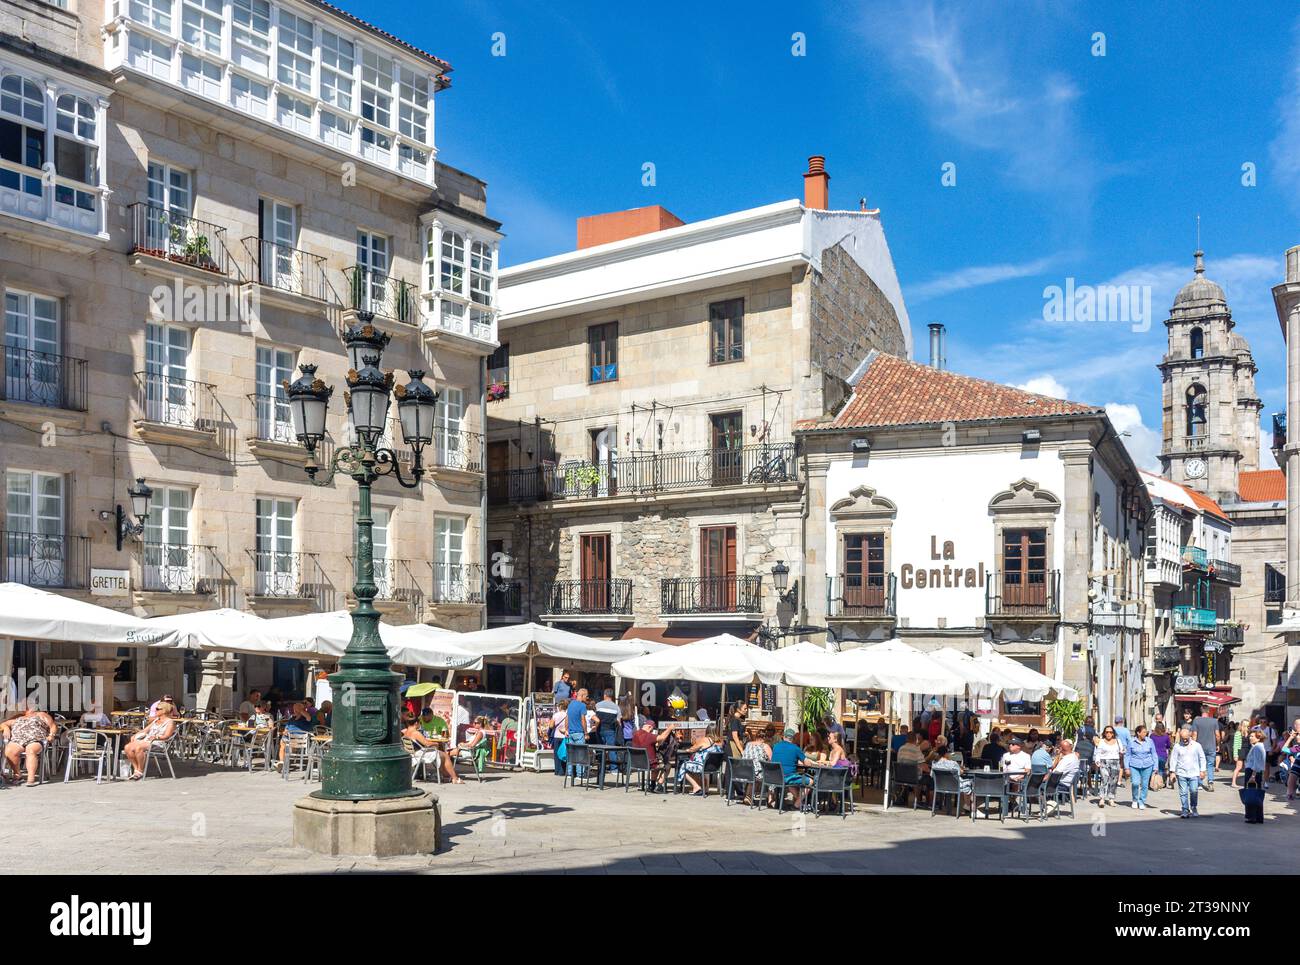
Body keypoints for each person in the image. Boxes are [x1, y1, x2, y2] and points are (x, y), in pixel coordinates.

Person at [2, 701, 58, 786]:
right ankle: (18, 775)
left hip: (35, 739)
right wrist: (6, 728)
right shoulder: (18, 717)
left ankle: (30, 779)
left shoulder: (41, 714)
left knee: (30, 750)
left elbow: (53, 726)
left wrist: (51, 735)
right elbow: (2, 724)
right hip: (18, 740)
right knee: (9, 750)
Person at [122, 701, 177, 780]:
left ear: (164, 711)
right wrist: (135, 735)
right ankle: (136, 769)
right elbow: (145, 731)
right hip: (147, 741)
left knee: (138, 748)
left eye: (158, 709)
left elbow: (167, 736)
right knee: (127, 747)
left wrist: (156, 737)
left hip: (159, 743)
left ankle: (140, 771)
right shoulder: (156, 720)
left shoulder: (170, 722)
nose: (155, 710)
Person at [770, 727, 822, 808]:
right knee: (810, 781)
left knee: (792, 784)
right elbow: (807, 764)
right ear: (794, 739)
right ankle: (797, 804)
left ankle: (799, 802)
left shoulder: (776, 746)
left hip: (774, 777)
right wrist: (811, 761)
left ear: (784, 737)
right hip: (787, 777)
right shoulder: (796, 748)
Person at [402, 712, 459, 784]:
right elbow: (427, 744)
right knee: (445, 755)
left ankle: (446, 776)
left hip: (413, 754)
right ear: (416, 723)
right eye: (420, 723)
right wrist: (435, 743)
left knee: (441, 755)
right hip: (420, 754)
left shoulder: (405, 731)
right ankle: (455, 778)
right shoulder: (415, 732)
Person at [1169, 726, 1208, 818]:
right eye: (1183, 739)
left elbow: (1202, 758)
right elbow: (1173, 759)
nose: (1185, 740)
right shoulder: (1177, 746)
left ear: (1190, 735)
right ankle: (1185, 809)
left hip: (1194, 773)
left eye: (1186, 739)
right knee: (1183, 792)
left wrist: (1203, 770)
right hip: (1181, 773)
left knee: (1194, 791)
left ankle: (1194, 807)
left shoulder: (1197, 745)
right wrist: (1172, 772)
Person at [630, 718, 673, 791]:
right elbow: (662, 737)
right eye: (652, 730)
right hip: (649, 763)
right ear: (649, 727)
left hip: (636, 763)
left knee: (656, 763)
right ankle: (659, 785)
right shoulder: (648, 736)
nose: (652, 731)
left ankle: (652, 785)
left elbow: (647, 743)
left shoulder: (635, 734)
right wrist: (669, 729)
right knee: (667, 766)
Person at [678, 726, 721, 796]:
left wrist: (689, 748)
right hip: (715, 766)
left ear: (707, 731)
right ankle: (703, 788)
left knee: (683, 766)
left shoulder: (705, 740)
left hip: (703, 766)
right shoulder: (720, 742)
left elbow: (692, 749)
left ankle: (696, 787)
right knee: (693, 765)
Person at [930, 745, 972, 814]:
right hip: (954, 786)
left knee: (965, 784)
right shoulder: (952, 763)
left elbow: (932, 775)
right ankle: (969, 806)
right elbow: (960, 772)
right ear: (946, 754)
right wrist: (961, 768)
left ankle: (967, 806)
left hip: (939, 785)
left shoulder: (934, 763)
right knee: (969, 783)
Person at [1043, 739, 1080, 815]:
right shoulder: (1071, 757)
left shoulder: (1068, 759)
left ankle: (1050, 804)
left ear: (1061, 748)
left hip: (1060, 784)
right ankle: (1049, 804)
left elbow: (1056, 773)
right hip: (1063, 783)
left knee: (1035, 786)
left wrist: (1045, 778)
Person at [1125, 725, 1158, 810]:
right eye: (1143, 732)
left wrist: (1155, 767)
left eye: (1146, 732)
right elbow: (1127, 755)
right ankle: (1135, 800)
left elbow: (1154, 754)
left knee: (1144, 785)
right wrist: (1126, 768)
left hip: (1147, 765)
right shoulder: (1132, 742)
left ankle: (1142, 801)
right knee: (1135, 783)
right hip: (1134, 765)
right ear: (1138, 733)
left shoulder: (1150, 741)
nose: (1145, 733)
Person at [1191, 705, 1221, 791]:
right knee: (1210, 765)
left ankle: (1200, 783)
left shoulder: (1196, 721)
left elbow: (1194, 735)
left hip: (1199, 747)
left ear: (1201, 711)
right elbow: (1217, 735)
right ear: (1208, 711)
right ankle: (1210, 782)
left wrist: (1193, 745)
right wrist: (1218, 744)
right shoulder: (1214, 721)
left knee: (1200, 765)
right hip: (1211, 746)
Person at [1094, 725, 1123, 807]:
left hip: (1115, 761)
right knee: (1104, 780)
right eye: (1107, 732)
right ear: (1104, 733)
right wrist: (1097, 760)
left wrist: (1123, 751)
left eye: (1110, 732)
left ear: (1113, 733)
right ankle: (1102, 799)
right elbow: (1098, 752)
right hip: (1104, 762)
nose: (1109, 734)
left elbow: (1121, 750)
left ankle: (1111, 799)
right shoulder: (1102, 741)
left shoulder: (1118, 741)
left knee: (1113, 781)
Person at [1242, 729, 1267, 824]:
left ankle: (1252, 816)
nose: (1250, 738)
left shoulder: (1257, 747)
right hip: (1254, 772)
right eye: (1250, 736)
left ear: (1258, 737)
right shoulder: (1258, 746)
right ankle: (1258, 816)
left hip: (1253, 772)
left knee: (1251, 794)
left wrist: (1253, 775)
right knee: (1256, 795)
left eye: (1252, 736)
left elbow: (1257, 763)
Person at [1151, 721, 1172, 790]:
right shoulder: (1166, 736)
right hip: (1163, 755)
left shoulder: (1152, 735)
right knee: (1161, 770)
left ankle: (1153, 783)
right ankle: (1159, 784)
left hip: (1153, 755)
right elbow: (1169, 745)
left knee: (1153, 769)